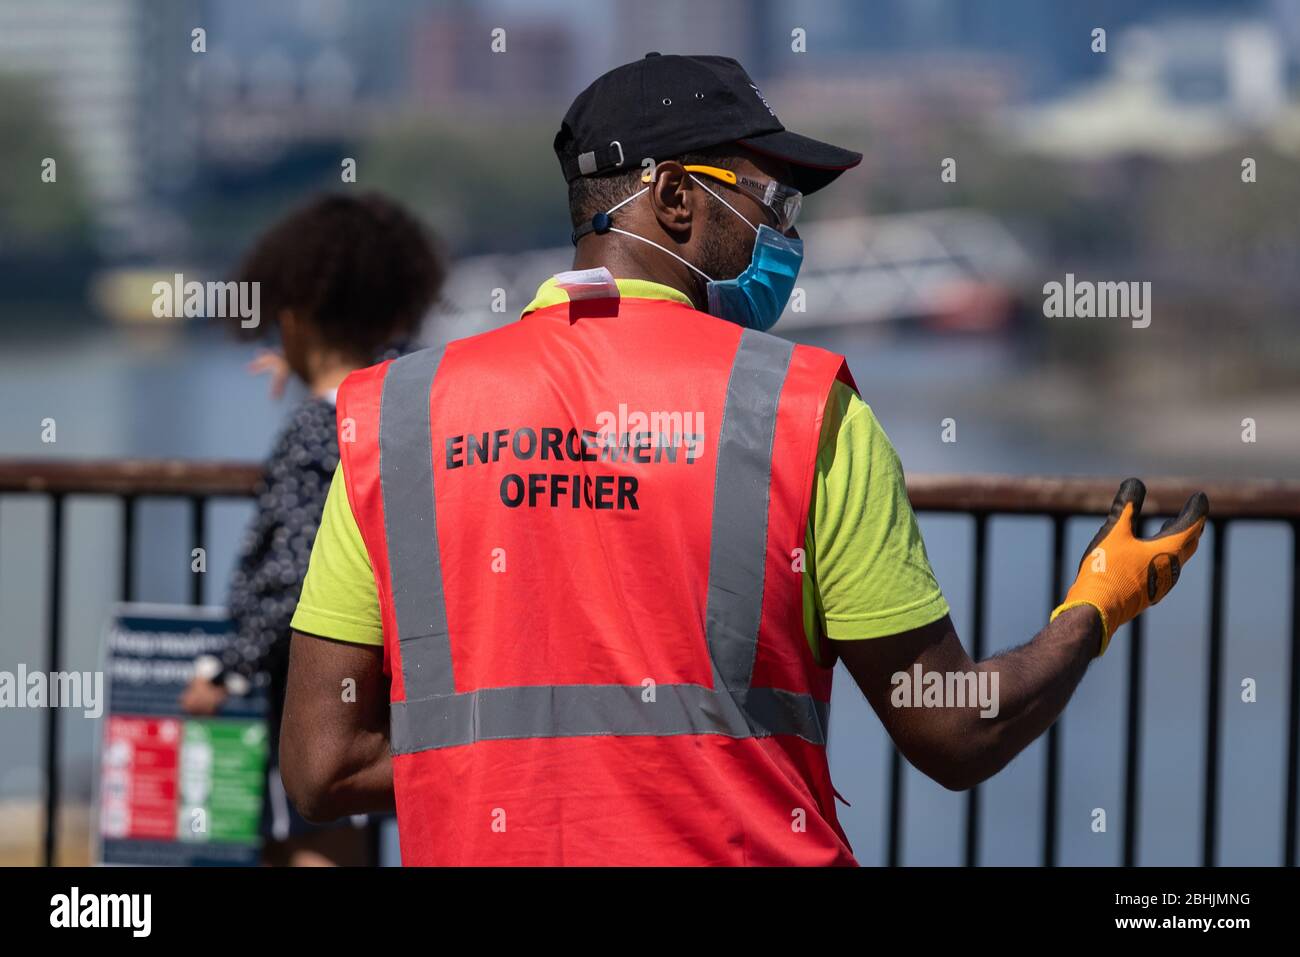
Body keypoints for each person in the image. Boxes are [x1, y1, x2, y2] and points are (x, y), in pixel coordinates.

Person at [278, 54, 1208, 866]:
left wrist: (531, 768)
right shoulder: (803, 411)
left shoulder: (394, 416)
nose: (788, 240)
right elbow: (955, 728)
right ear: (677, 198)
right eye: (774, 202)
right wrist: (1093, 609)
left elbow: (321, 766)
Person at [178, 192, 447, 866]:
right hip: (386, 670)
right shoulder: (396, 405)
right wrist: (300, 363)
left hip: (313, 676)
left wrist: (229, 668)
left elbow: (295, 566)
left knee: (310, 837)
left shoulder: (312, 427)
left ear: (294, 321)